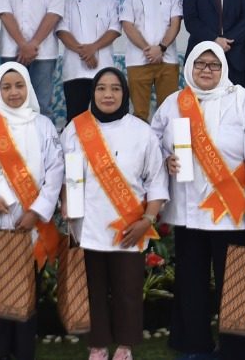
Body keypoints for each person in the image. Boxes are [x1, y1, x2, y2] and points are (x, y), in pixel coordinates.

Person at [149, 42, 245, 360]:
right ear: (189, 66)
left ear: (223, 68)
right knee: (191, 280)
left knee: (236, 281)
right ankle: (195, 345)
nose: (206, 70)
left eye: (213, 64)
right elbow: (152, 143)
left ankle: (239, 351)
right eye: (200, 64)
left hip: (231, 209)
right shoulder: (174, 103)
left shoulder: (242, 100)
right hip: (188, 210)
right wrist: (165, 159)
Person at [61, 67, 168, 360]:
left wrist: (147, 220)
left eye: (115, 88)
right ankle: (97, 345)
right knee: (92, 290)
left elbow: (157, 180)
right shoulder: (75, 129)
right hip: (87, 226)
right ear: (92, 93)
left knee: (128, 290)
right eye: (101, 88)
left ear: (125, 93)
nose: (108, 94)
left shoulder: (141, 132)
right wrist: (66, 202)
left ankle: (124, 347)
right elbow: (64, 174)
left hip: (129, 227)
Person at [0, 63, 64, 360]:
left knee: (26, 290)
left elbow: (55, 172)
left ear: (28, 87)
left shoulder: (43, 126)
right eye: (6, 87)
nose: (13, 92)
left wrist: (37, 211)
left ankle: (22, 351)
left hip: (30, 226)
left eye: (19, 85)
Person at [120, 0, 183, 120]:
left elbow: (175, 23)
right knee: (139, 114)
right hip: (138, 59)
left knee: (169, 112)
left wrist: (161, 48)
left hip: (167, 59)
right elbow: (127, 25)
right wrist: (149, 50)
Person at [57, 0, 121, 121]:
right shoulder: (66, 3)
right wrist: (86, 53)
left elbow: (114, 30)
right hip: (74, 71)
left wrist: (93, 48)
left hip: (103, 69)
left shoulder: (110, 2)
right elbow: (62, 32)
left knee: (107, 119)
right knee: (76, 119)